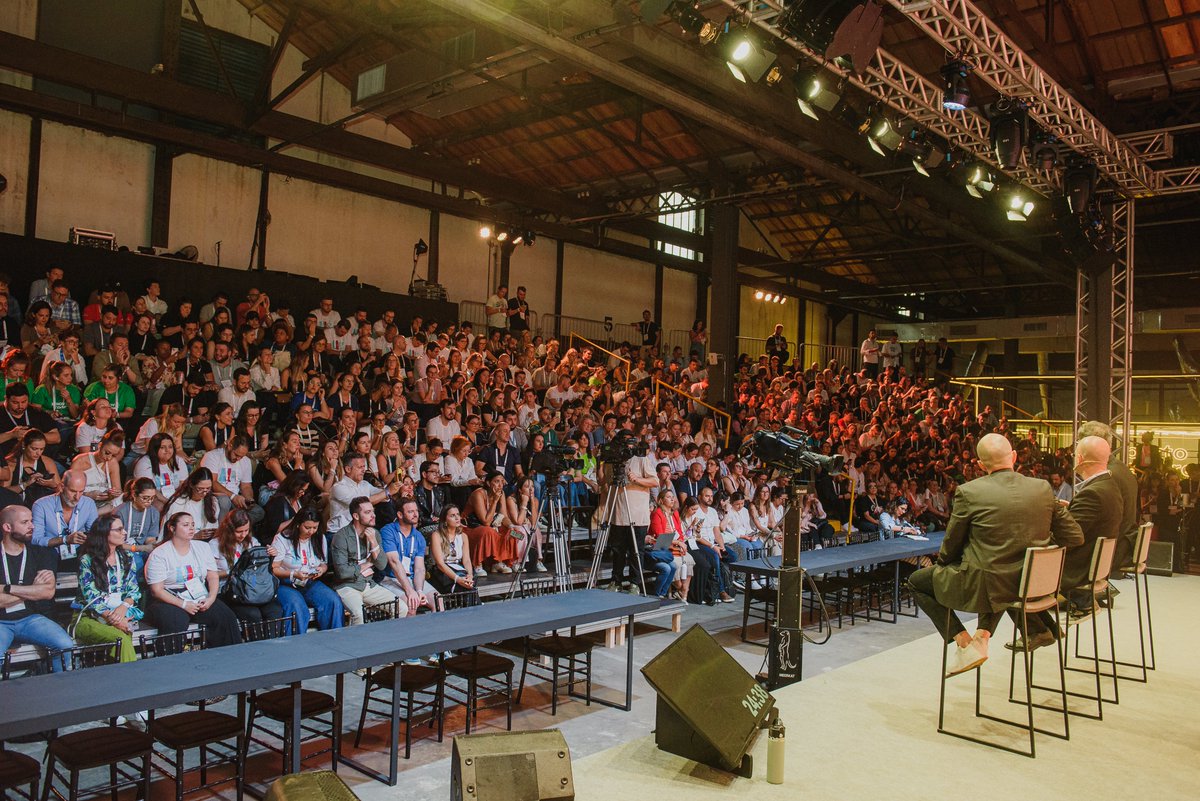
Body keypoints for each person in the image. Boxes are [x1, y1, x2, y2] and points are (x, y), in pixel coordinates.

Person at [906, 434, 1083, 677]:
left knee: (917, 582)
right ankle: (993, 635)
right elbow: (1074, 537)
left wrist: (945, 564)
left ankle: (964, 642)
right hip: (1031, 582)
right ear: (1014, 457)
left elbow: (951, 546)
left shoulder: (969, 492)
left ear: (980, 465)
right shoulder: (1042, 488)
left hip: (991, 583)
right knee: (999, 569)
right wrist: (1040, 552)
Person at [144, 511, 242, 647]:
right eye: (185, 525)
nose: (191, 528)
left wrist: (211, 598)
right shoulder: (160, 554)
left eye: (193, 525)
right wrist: (183, 604)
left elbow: (212, 576)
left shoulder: (203, 547)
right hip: (168, 597)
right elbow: (157, 590)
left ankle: (227, 658)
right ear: (172, 528)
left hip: (198, 593)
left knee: (225, 616)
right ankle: (170, 664)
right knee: (176, 621)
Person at [0, 505, 76, 667]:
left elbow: (47, 591)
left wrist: (7, 588)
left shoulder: (41, 553)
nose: (32, 526)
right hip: (1, 622)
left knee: (65, 645)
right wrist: (32, 589)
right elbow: (38, 591)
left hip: (30, 619)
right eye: (25, 522)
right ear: (7, 527)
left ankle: (59, 690)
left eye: (32, 521)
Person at [72, 514, 142, 664]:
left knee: (124, 634)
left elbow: (133, 590)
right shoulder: (87, 560)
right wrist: (114, 619)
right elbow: (91, 597)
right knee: (122, 638)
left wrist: (123, 608)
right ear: (105, 533)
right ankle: (132, 680)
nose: (124, 533)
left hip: (119, 612)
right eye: (119, 529)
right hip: (88, 616)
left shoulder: (128, 557)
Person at [327, 496, 398, 625]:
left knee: (401, 608)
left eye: (373, 511)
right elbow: (343, 573)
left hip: (368, 584)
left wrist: (374, 543)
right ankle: (355, 645)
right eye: (367, 512)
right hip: (347, 586)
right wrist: (368, 564)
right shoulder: (341, 537)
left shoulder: (374, 533)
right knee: (359, 615)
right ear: (356, 516)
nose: (373, 515)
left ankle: (387, 641)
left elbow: (382, 565)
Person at [271, 508, 344, 632]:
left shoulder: (319, 538)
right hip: (285, 583)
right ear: (298, 524)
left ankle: (334, 639)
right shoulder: (282, 539)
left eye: (315, 528)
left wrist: (321, 569)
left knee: (332, 601)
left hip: (309, 581)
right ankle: (296, 645)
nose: (311, 531)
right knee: (297, 607)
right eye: (307, 527)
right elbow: (273, 569)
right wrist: (293, 574)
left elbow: (323, 563)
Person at [210, 509, 283, 624]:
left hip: (253, 588)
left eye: (246, 530)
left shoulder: (252, 542)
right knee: (253, 614)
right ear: (229, 529)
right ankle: (257, 642)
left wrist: (270, 556)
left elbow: (261, 569)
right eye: (239, 531)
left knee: (274, 611)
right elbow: (210, 574)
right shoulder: (215, 545)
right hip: (229, 590)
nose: (243, 535)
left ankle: (273, 642)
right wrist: (233, 571)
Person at [379, 497, 436, 613]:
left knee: (438, 601)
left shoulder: (418, 536)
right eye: (410, 512)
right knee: (411, 605)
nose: (415, 514)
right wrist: (410, 591)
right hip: (390, 578)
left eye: (416, 511)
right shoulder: (388, 531)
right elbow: (394, 562)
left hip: (411, 577)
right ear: (400, 514)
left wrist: (419, 590)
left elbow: (419, 569)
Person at [32, 470, 98, 566]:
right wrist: (64, 539)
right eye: (73, 491)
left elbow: (95, 534)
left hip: (78, 552)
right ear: (62, 487)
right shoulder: (41, 505)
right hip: (49, 554)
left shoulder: (89, 503)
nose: (77, 497)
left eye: (81, 491)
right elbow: (36, 540)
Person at [428, 505, 476, 596]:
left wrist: (470, 575)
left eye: (458, 514)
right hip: (442, 572)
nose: (457, 517)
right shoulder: (436, 535)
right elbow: (440, 564)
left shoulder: (463, 536)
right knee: (464, 588)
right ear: (445, 520)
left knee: (469, 584)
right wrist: (457, 579)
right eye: (452, 515)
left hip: (459, 569)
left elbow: (466, 560)